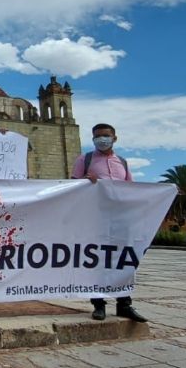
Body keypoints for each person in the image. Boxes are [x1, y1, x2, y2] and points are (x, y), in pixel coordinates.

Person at [71, 123, 147, 323]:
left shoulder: (122, 162)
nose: (101, 139)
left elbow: (131, 189)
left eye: (105, 136)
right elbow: (71, 188)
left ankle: (125, 304)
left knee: (124, 260)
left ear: (114, 138)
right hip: (96, 217)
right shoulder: (85, 160)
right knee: (96, 260)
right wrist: (87, 182)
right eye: (97, 136)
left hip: (121, 217)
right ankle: (99, 305)